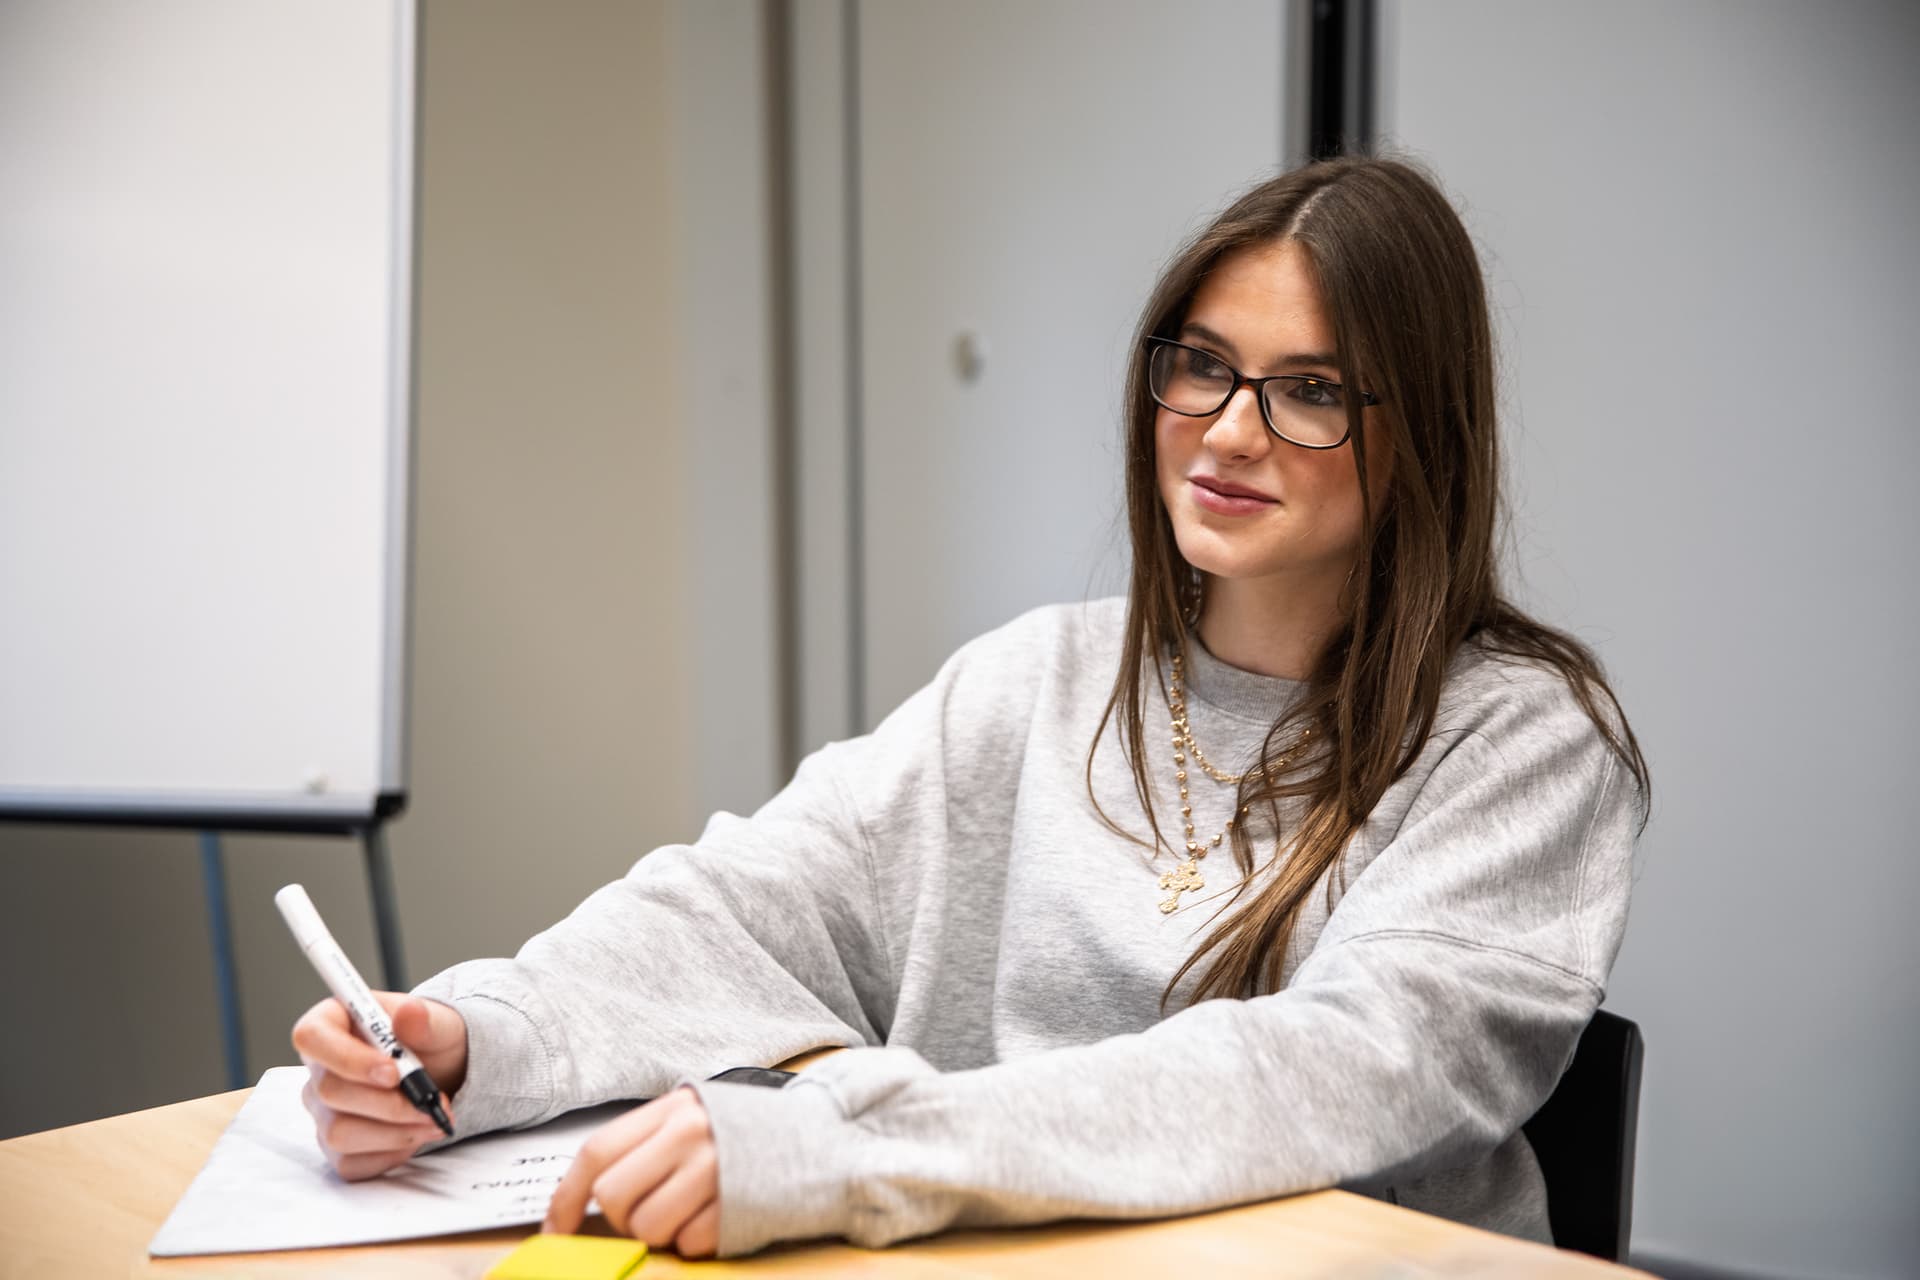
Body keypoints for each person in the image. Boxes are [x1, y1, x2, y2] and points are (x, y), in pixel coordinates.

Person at [290, 155, 1649, 1260]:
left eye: (1306, 393)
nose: (1229, 429)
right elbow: (754, 904)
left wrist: (844, 1147)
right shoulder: (1036, 681)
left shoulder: (1525, 743)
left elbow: (1335, 1073)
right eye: (1201, 364)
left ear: (1423, 436)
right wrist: (482, 1038)